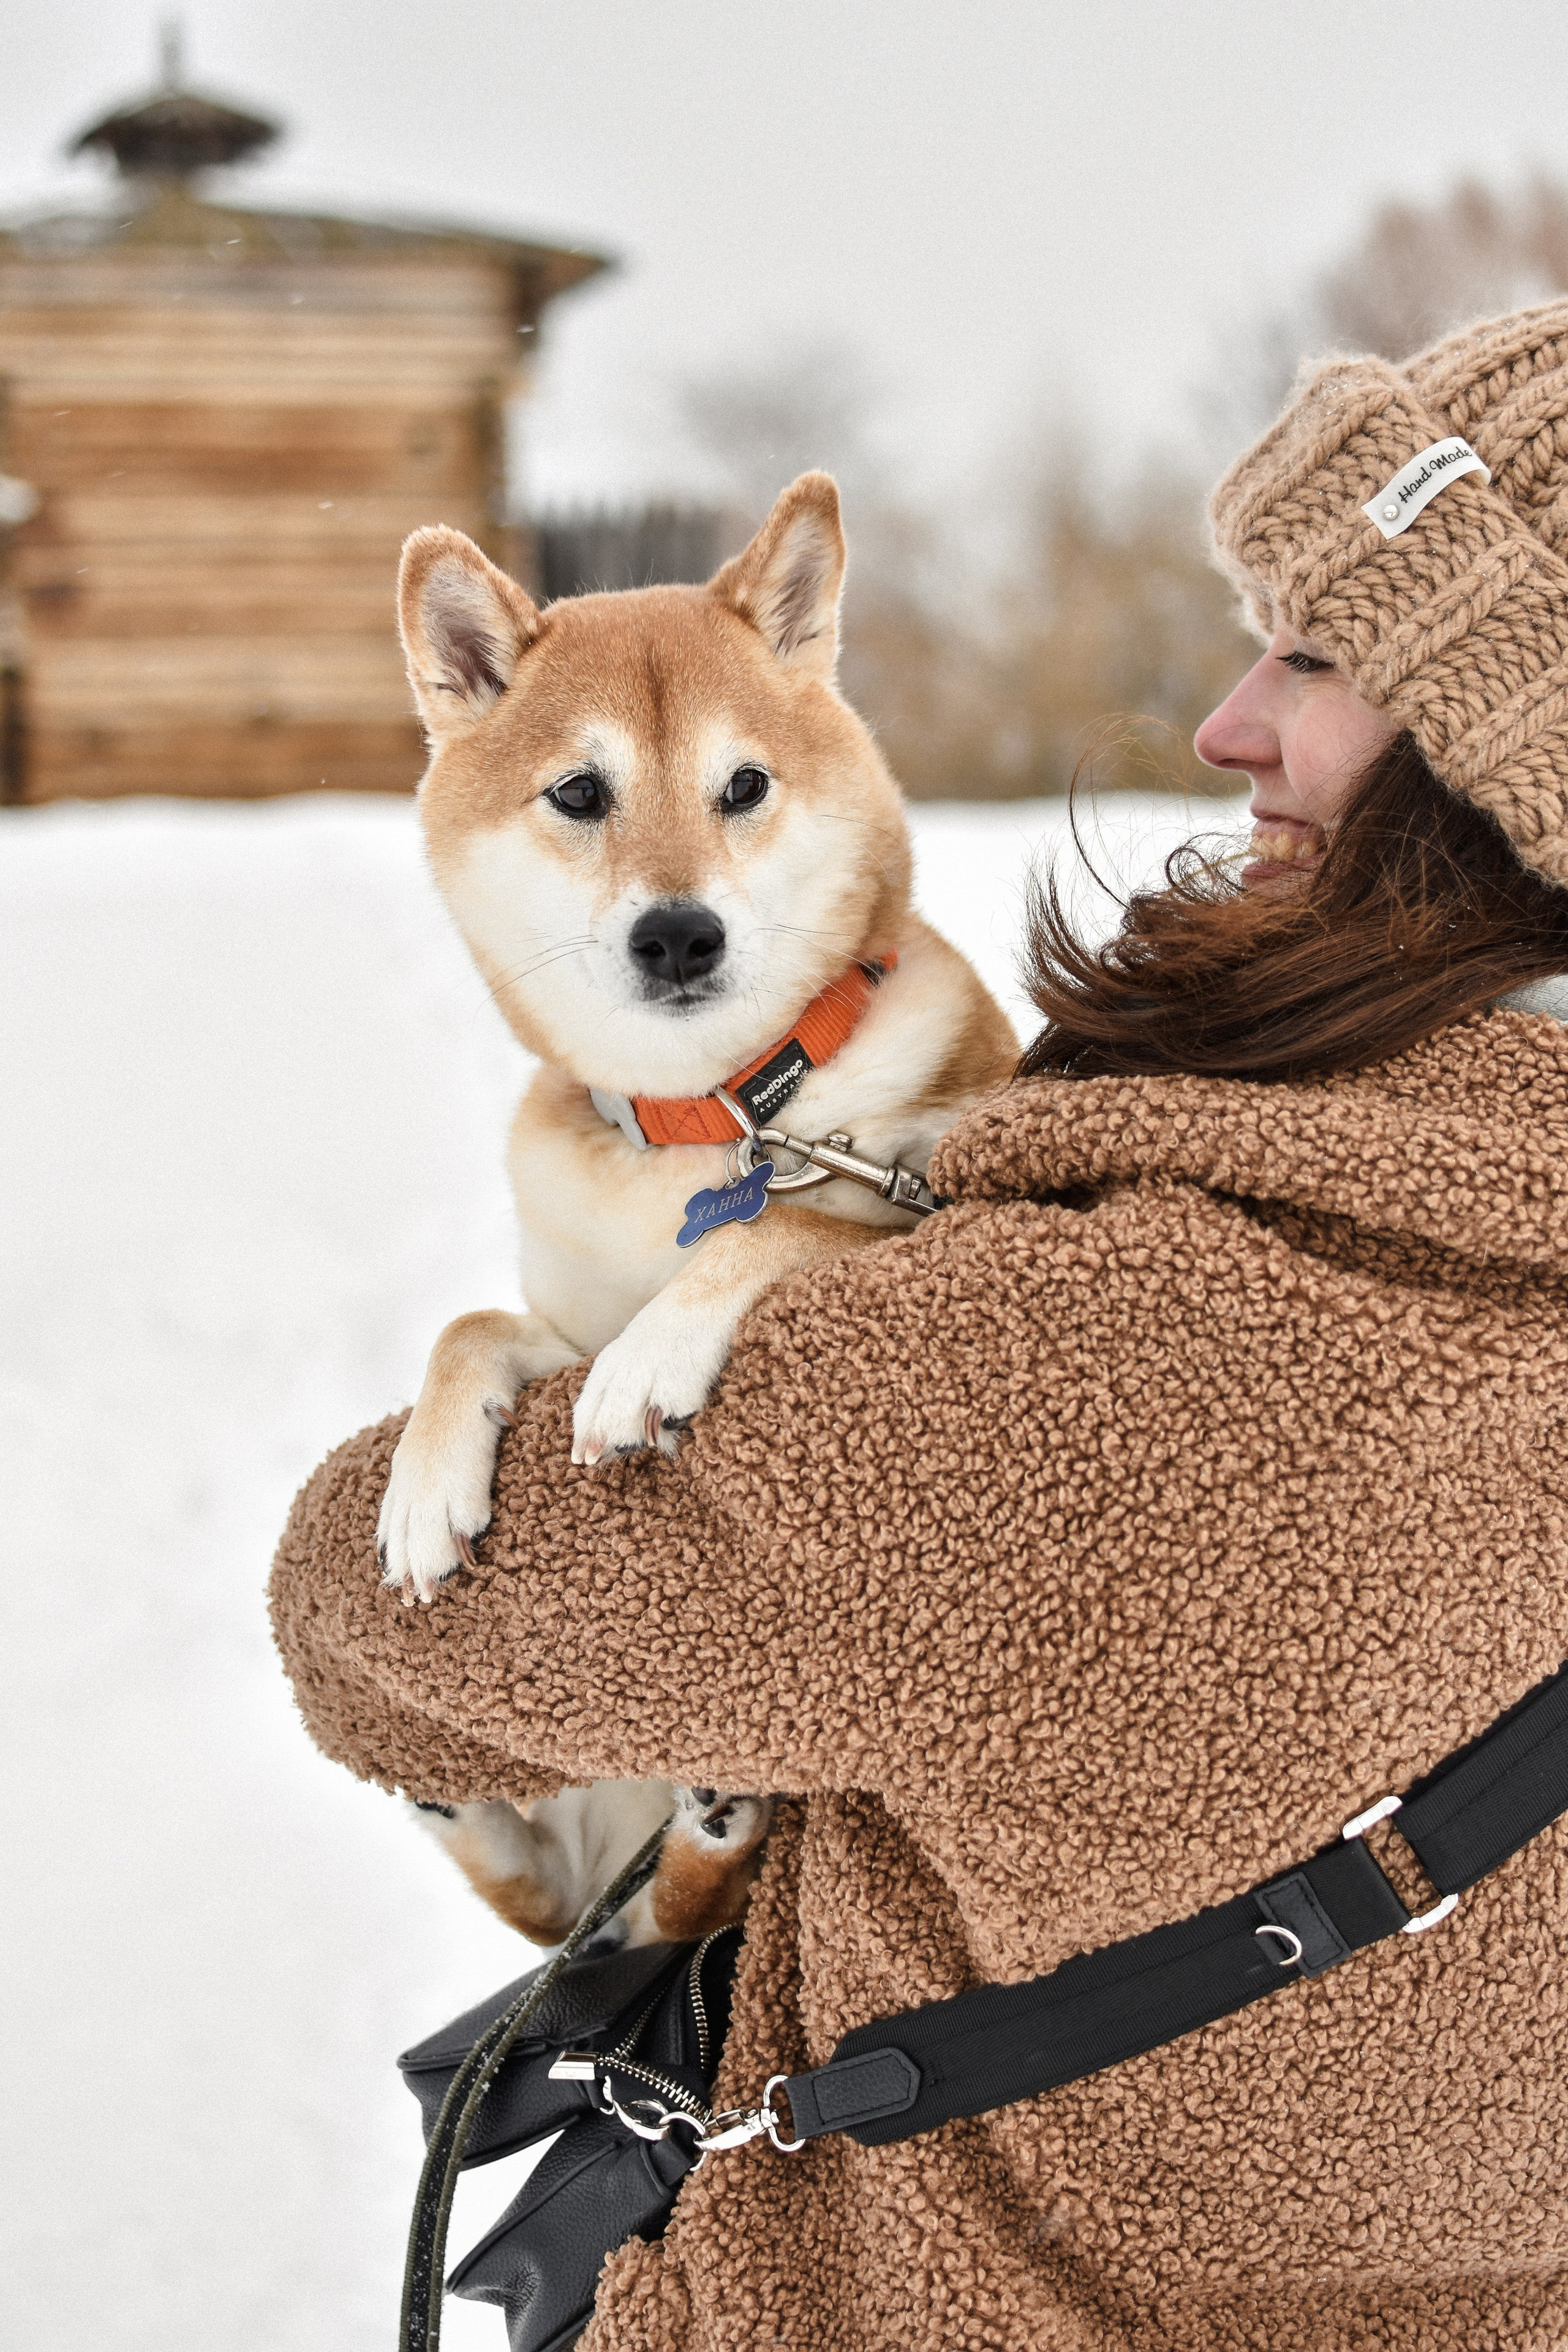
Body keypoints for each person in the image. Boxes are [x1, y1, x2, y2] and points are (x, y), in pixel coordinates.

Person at [271, 303, 1568, 2351]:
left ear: (1508, 770)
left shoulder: (1097, 1359)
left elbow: (388, 1625)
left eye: (1317, 658)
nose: (1229, 723)